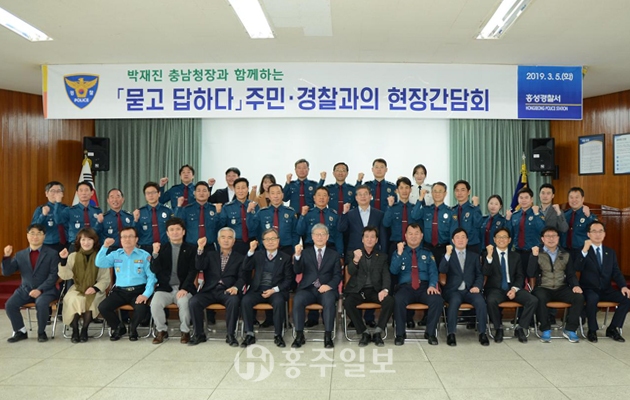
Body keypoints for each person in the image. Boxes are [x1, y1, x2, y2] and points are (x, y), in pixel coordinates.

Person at [96, 227, 157, 341]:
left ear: (136, 239)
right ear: (120, 239)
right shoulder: (115, 254)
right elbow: (100, 263)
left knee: (141, 308)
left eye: (130, 236)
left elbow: (151, 277)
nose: (127, 239)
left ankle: (133, 329)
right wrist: (105, 247)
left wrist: (146, 294)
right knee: (103, 307)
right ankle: (119, 327)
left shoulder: (144, 255)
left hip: (138, 290)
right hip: (120, 291)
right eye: (124, 237)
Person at [3, 224, 60, 343]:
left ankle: (41, 332)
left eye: (39, 233)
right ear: (27, 236)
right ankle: (20, 331)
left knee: (41, 303)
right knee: (10, 305)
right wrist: (6, 257)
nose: (35, 236)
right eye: (32, 233)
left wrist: (40, 289)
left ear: (44, 236)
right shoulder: (20, 255)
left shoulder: (52, 253)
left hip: (46, 290)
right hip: (25, 289)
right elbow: (7, 272)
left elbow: (53, 276)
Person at [188, 227, 245, 346]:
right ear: (218, 240)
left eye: (229, 238)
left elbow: (243, 277)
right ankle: (199, 334)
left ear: (234, 241)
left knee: (234, 301)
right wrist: (200, 248)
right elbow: (199, 266)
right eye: (223, 237)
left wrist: (236, 287)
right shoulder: (210, 255)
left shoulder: (240, 257)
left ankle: (230, 335)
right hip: (210, 290)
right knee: (194, 301)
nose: (226, 240)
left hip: (228, 290)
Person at [575, 221, 630, 342]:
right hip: (589, 289)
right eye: (594, 231)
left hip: (606, 289)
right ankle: (592, 330)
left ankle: (613, 328)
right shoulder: (582, 251)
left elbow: (616, 272)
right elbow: (577, 267)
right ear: (588, 234)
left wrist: (623, 286)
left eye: (600, 231)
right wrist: (584, 250)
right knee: (592, 298)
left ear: (604, 234)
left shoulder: (610, 252)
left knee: (627, 299)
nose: (597, 234)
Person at [527, 227, 584, 343]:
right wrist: (534, 256)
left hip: (561, 287)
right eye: (548, 236)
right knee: (539, 298)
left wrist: (575, 285)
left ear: (558, 238)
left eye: (554, 236)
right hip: (543, 287)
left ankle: (570, 329)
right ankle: (545, 329)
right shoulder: (537, 252)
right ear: (542, 239)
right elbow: (530, 273)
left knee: (579, 297)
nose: (551, 239)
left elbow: (571, 274)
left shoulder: (565, 254)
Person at [390, 223, 443, 346]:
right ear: (405, 236)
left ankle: (430, 333)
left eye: (416, 233)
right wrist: (399, 254)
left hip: (425, 287)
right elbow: (393, 271)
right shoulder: (399, 252)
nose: (413, 236)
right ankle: (400, 334)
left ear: (421, 236)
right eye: (410, 234)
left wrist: (432, 285)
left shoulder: (428, 253)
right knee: (398, 300)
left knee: (437, 300)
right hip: (406, 287)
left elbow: (433, 272)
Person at [240, 229, 294, 348]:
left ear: (278, 241)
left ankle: (278, 335)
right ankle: (249, 334)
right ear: (263, 242)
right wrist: (251, 250)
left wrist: (274, 290)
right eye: (267, 239)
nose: (270, 242)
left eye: (273, 239)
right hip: (257, 289)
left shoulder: (285, 257)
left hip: (276, 291)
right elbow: (246, 267)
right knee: (245, 300)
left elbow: (288, 279)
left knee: (279, 302)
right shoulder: (257, 255)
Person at [292, 224, 342, 349]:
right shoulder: (305, 253)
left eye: (323, 234)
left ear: (327, 237)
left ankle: (328, 336)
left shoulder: (334, 254)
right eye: (317, 234)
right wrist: (297, 256)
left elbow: (337, 276)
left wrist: (329, 286)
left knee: (329, 300)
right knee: (297, 299)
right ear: (312, 237)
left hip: (326, 289)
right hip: (308, 289)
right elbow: (297, 270)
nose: (320, 237)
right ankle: (299, 335)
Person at [483, 228, 537, 343]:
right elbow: (485, 272)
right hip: (495, 289)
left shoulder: (516, 256)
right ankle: (498, 328)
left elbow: (520, 276)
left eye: (504, 237)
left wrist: (514, 289)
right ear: (494, 239)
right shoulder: (488, 255)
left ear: (509, 240)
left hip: (513, 287)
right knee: (491, 300)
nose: (501, 239)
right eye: (499, 237)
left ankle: (520, 328)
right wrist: (489, 256)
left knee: (532, 300)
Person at [149, 218, 198, 344]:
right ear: (167, 233)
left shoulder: (191, 249)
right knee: (155, 304)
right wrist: (155, 254)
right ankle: (161, 330)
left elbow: (193, 271)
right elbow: (154, 269)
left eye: (178, 229)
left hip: (183, 288)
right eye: (171, 230)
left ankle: (185, 331)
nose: (175, 232)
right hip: (165, 288)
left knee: (184, 303)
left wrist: (185, 288)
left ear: (183, 232)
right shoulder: (161, 249)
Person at [344, 226, 394, 347]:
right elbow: (350, 271)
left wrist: (385, 290)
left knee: (390, 301)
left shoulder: (382, 256)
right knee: (348, 303)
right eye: (366, 237)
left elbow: (386, 275)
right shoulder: (353, 254)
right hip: (358, 290)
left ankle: (378, 331)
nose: (369, 239)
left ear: (376, 240)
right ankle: (364, 332)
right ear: (362, 239)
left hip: (375, 290)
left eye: (372, 237)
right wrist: (356, 260)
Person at [57, 227, 110, 343]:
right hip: (77, 288)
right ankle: (75, 330)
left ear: (94, 241)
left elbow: (105, 279)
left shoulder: (100, 257)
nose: (86, 243)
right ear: (79, 241)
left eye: (89, 239)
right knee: (73, 299)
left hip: (96, 289)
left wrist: (95, 288)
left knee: (88, 301)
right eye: (83, 240)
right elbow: (66, 276)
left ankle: (84, 330)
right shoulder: (73, 256)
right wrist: (63, 261)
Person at [439, 228, 489, 346]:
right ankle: (451, 333)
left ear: (467, 240)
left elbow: (479, 274)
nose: (460, 240)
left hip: (470, 290)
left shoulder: (474, 256)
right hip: (453, 290)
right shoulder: (447, 256)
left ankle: (482, 333)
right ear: (452, 240)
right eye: (457, 237)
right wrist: (447, 254)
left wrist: (477, 286)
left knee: (481, 302)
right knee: (454, 301)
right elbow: (442, 270)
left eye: (463, 237)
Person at [411, 182, 457, 265]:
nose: (437, 194)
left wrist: (451, 252)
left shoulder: (451, 212)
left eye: (440, 191)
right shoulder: (426, 210)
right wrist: (420, 199)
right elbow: (414, 215)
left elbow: (453, 234)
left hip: (443, 249)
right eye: (435, 191)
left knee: (442, 272)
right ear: (431, 193)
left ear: (445, 193)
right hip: (427, 248)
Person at [247, 183, 299, 255]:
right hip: (266, 249)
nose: (275, 196)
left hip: (286, 249)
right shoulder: (261, 213)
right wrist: (249, 212)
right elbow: (253, 229)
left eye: (278, 193)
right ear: (268, 195)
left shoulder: (290, 212)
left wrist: (294, 249)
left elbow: (295, 232)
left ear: (282, 195)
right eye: (272, 193)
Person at [54, 181, 103, 251]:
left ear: (92, 193)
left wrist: (99, 222)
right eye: (81, 190)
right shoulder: (69, 210)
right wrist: (58, 203)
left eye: (86, 190)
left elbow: (100, 230)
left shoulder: (97, 210)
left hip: (93, 246)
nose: (84, 193)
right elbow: (58, 221)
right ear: (77, 193)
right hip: (76, 245)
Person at [338, 185, 387, 254]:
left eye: (365, 194)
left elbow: (383, 237)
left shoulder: (379, 214)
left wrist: (383, 254)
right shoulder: (349, 214)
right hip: (354, 252)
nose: (363, 196)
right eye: (360, 194)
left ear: (370, 196)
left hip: (374, 253)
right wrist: (344, 213)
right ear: (356, 198)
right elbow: (341, 228)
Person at [506, 187, 545, 273]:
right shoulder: (515, 215)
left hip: (533, 253)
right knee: (518, 276)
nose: (523, 200)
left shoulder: (537, 214)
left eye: (526, 197)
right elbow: (509, 233)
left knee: (532, 276)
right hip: (517, 252)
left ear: (531, 199)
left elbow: (542, 230)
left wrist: (536, 214)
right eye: (521, 198)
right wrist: (508, 220)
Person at [297, 186, 344, 254]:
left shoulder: (334, 215)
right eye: (319, 195)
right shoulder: (307, 214)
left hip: (330, 248)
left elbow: (338, 236)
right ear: (314, 198)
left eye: (324, 195)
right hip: (311, 248)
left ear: (328, 198)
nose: (321, 197)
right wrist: (302, 215)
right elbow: (300, 231)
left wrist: (340, 254)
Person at [219, 177, 259, 255]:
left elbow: (257, 225)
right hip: (235, 244)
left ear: (247, 189)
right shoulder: (227, 207)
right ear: (234, 189)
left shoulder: (254, 206)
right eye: (238, 188)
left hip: (252, 243)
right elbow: (221, 225)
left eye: (243, 188)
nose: (241, 191)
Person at [175, 181, 221, 247]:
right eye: (198, 190)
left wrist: (218, 213)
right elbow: (178, 224)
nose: (201, 193)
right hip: (191, 246)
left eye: (204, 191)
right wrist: (178, 207)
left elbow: (219, 226)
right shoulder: (187, 209)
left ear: (209, 193)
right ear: (194, 193)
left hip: (209, 246)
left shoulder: (214, 209)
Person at [134, 181, 173, 252]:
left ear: (159, 194)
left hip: (164, 247)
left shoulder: (168, 211)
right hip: (145, 248)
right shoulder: (140, 212)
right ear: (145, 196)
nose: (150, 195)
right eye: (148, 193)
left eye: (153, 192)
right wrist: (135, 220)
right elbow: (135, 231)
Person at [383, 177, 420, 254]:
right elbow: (386, 223)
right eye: (401, 188)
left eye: (407, 187)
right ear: (397, 190)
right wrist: (389, 207)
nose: (404, 191)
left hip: (412, 246)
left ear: (410, 190)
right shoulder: (392, 208)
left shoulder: (415, 208)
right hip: (395, 245)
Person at [31, 181, 68, 252]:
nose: (55, 194)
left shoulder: (66, 209)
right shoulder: (41, 209)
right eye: (52, 191)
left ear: (62, 194)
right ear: (46, 193)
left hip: (66, 243)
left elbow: (59, 221)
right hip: (48, 244)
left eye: (58, 191)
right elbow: (34, 228)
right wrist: (43, 215)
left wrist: (58, 204)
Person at [562, 187, 597, 258]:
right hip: (565, 252)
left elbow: (595, 231)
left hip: (582, 251)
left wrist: (589, 216)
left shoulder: (588, 215)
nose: (574, 200)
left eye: (577, 197)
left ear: (582, 199)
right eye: (571, 197)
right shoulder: (565, 215)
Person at [451, 180, 482, 253]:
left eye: (462, 190)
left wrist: (476, 207)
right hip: (455, 246)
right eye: (457, 190)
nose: (459, 193)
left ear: (468, 192)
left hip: (471, 246)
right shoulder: (452, 210)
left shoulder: (474, 209)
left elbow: (478, 224)